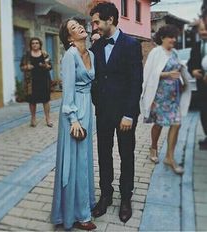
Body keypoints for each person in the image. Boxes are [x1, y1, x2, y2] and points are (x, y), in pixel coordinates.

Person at [90, 2, 143, 223]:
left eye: (96, 22)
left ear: (110, 19)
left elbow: (135, 82)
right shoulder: (97, 46)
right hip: (103, 112)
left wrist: (129, 114)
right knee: (103, 154)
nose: (94, 26)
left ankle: (125, 198)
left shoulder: (131, 44)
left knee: (126, 154)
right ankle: (106, 195)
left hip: (124, 114)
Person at [50, 19, 96, 231]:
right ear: (69, 38)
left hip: (88, 108)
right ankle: (75, 215)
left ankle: (82, 207)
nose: (78, 26)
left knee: (84, 160)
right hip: (74, 111)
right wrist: (73, 119)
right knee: (73, 162)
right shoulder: (70, 56)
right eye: (73, 27)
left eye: (78, 23)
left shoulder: (91, 54)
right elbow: (67, 91)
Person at [140, 25, 191, 173]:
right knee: (159, 124)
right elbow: (148, 74)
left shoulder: (174, 52)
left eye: (175, 37)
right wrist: (167, 75)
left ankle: (169, 156)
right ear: (162, 38)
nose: (174, 40)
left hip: (174, 96)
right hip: (159, 97)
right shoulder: (156, 52)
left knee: (176, 123)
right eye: (171, 37)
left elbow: (179, 69)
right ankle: (153, 147)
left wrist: (182, 77)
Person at [20, 37, 53, 127]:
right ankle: (33, 118)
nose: (35, 45)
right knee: (32, 101)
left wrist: (46, 66)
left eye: (37, 43)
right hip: (31, 82)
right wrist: (27, 67)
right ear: (31, 45)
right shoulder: (27, 55)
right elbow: (22, 67)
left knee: (45, 100)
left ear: (40, 44)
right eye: (33, 43)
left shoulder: (44, 54)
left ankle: (48, 118)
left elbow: (50, 66)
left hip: (43, 80)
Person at [188, 20, 207, 150]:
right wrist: (193, 70)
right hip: (202, 87)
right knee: (204, 113)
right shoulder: (196, 45)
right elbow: (191, 63)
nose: (204, 32)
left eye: (206, 29)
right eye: (202, 30)